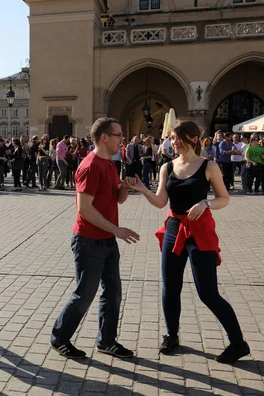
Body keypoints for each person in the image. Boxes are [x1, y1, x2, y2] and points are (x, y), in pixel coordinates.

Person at [126, 120, 250, 364]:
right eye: (172, 138)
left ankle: (238, 343)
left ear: (194, 139)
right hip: (173, 229)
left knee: (208, 293)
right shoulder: (167, 167)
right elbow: (162, 201)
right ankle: (172, 335)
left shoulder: (209, 166)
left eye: (179, 138)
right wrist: (143, 190)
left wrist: (206, 203)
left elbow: (224, 198)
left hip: (200, 231)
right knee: (170, 288)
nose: (174, 142)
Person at [51, 117, 139, 359]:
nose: (122, 139)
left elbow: (117, 199)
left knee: (113, 293)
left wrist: (124, 188)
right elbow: (85, 209)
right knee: (84, 294)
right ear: (104, 137)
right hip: (88, 241)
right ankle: (59, 337)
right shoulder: (90, 166)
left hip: (107, 240)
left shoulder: (110, 164)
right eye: (119, 135)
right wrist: (117, 229)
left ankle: (107, 341)